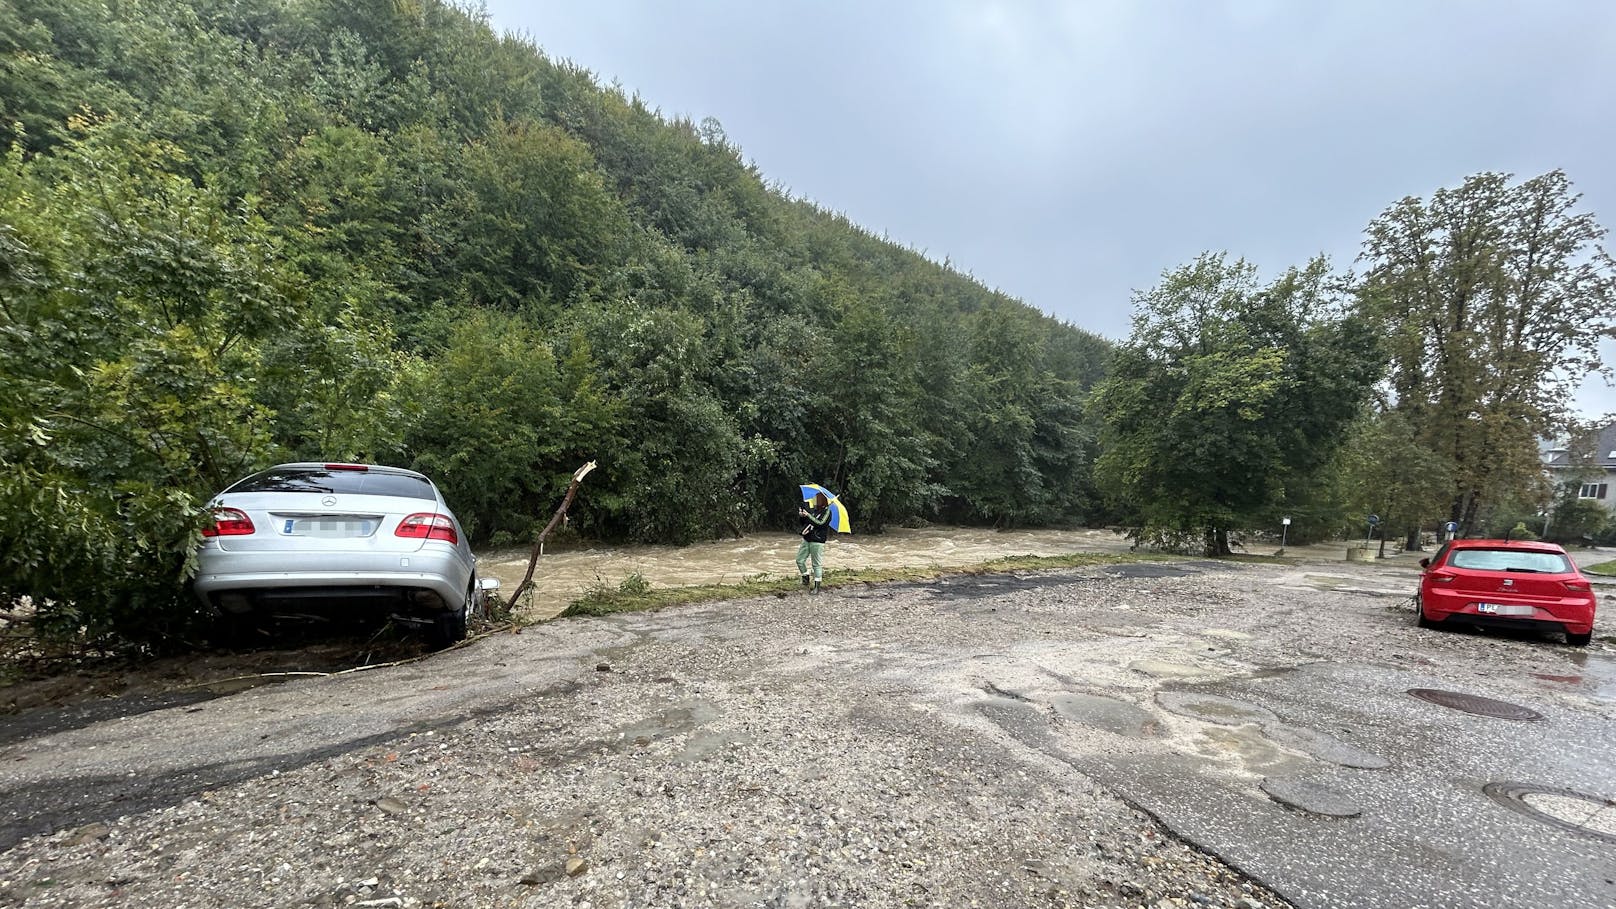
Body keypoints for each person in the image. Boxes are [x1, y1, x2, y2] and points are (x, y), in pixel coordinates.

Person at [796, 492, 831, 593]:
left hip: (818, 541)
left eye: (817, 499)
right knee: (799, 560)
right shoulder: (815, 511)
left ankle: (817, 586)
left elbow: (821, 523)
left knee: (816, 564)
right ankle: (805, 577)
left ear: (822, 500)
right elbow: (806, 523)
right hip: (807, 539)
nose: (815, 501)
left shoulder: (827, 512)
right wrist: (802, 516)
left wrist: (809, 516)